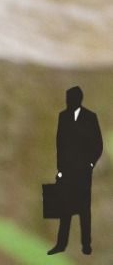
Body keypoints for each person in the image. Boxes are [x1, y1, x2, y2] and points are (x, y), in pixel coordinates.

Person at [53, 85, 103, 256]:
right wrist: (60, 168)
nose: (69, 101)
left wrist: (90, 164)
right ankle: (61, 244)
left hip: (83, 171)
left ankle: (86, 245)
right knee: (64, 208)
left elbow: (98, 144)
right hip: (67, 170)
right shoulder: (63, 116)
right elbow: (60, 145)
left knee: (83, 209)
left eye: (71, 98)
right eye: (68, 98)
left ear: (78, 99)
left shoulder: (90, 117)